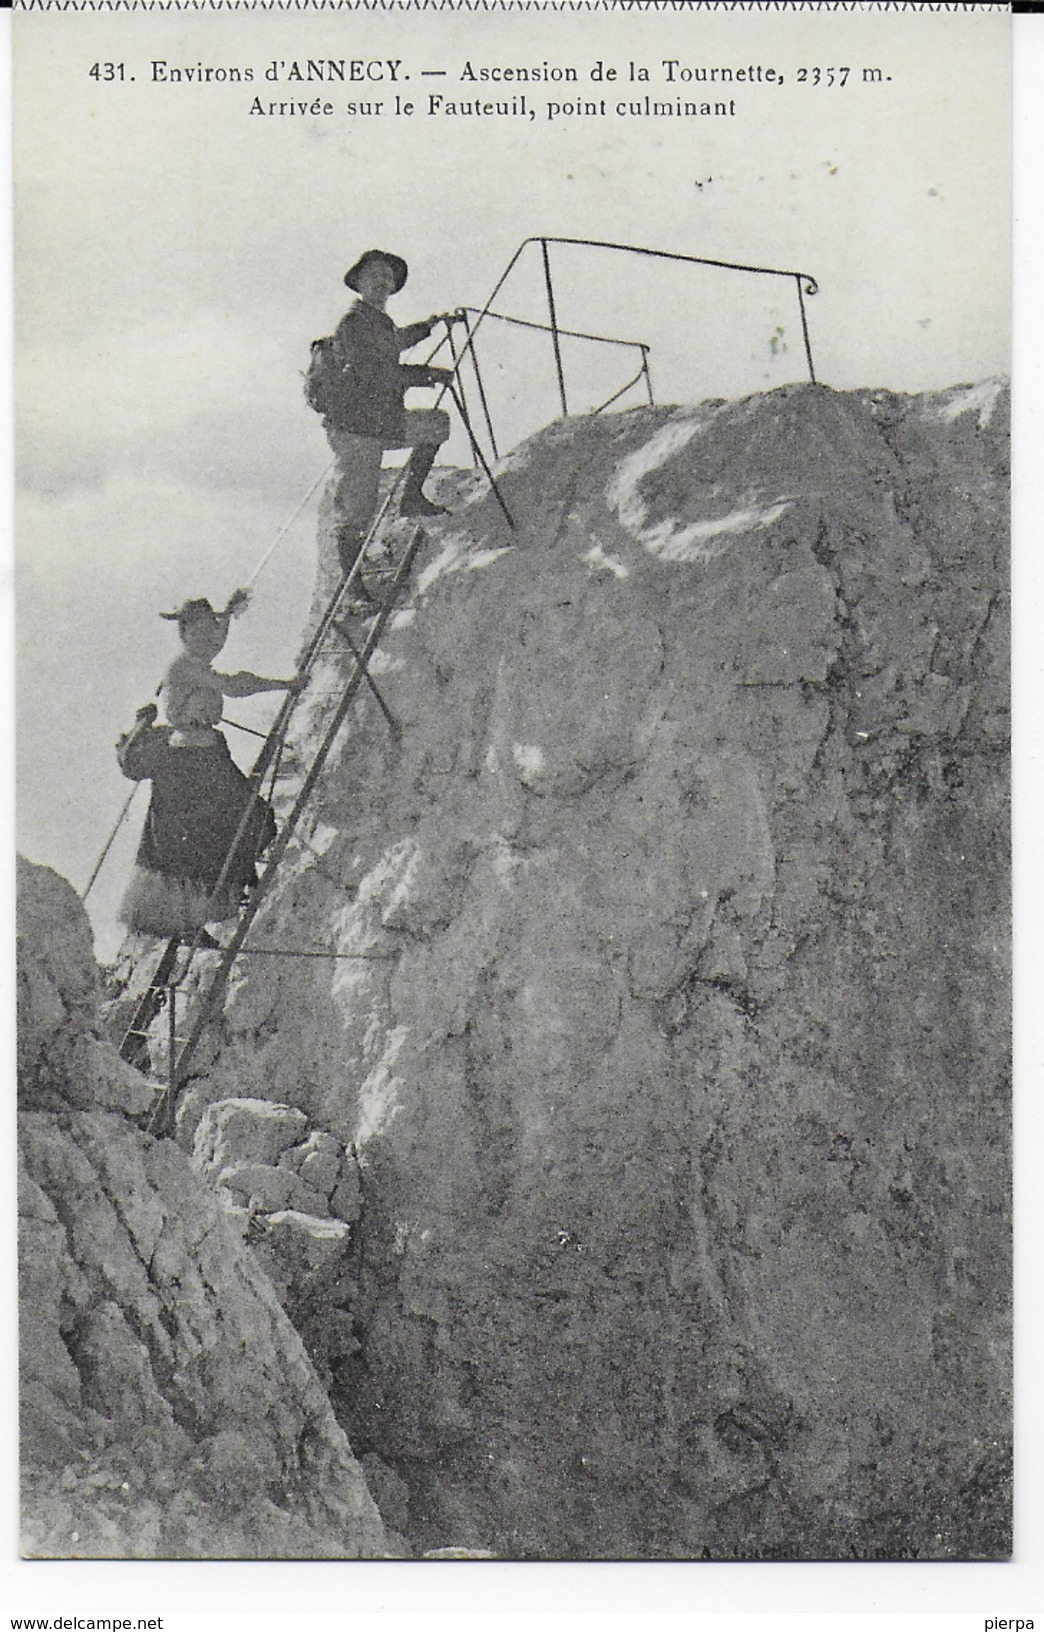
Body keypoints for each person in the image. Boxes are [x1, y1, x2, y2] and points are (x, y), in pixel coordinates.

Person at [116, 594, 300, 942]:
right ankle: (190, 924)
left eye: (209, 628)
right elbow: (234, 686)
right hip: (188, 762)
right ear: (184, 633)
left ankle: (220, 901)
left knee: (242, 819)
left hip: (207, 753)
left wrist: (228, 615)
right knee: (205, 838)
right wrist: (285, 685)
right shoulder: (184, 666)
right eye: (198, 630)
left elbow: (216, 644)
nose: (207, 636)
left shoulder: (198, 658)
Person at [317, 248, 461, 577]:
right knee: (359, 511)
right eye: (374, 276)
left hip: (379, 421)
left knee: (436, 425)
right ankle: (352, 589)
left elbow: (395, 342)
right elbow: (375, 374)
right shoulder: (353, 324)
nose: (382, 282)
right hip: (355, 430)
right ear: (360, 283)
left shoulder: (377, 322)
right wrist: (426, 374)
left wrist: (431, 326)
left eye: (387, 277)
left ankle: (411, 499)